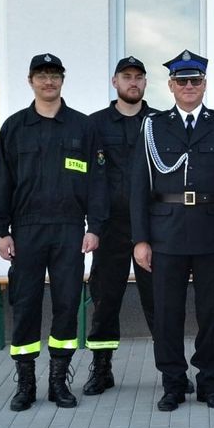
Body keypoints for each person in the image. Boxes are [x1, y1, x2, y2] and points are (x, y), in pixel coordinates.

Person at [0, 53, 107, 411]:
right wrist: (0, 230)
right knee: (25, 304)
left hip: (70, 230)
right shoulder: (14, 128)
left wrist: (95, 227)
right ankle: (26, 383)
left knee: (68, 304)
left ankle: (59, 382)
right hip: (25, 232)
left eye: (54, 75)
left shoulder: (82, 128)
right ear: (30, 81)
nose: (48, 81)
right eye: (42, 75)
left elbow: (96, 183)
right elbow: (0, 181)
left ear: (62, 81)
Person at [130, 50, 214, 411]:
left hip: (210, 230)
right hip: (166, 230)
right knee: (167, 312)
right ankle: (173, 382)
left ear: (205, 84)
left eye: (195, 81)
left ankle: (209, 380)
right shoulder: (152, 126)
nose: (189, 87)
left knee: (210, 311)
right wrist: (141, 239)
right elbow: (138, 186)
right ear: (171, 86)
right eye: (182, 81)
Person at [81, 57, 157, 396]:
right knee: (105, 298)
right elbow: (86, 177)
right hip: (110, 226)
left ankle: (170, 368)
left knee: (158, 299)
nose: (133, 83)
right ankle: (101, 369)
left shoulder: (159, 122)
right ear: (114, 82)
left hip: (152, 227)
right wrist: (91, 224)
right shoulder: (95, 125)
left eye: (139, 77)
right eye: (127, 77)